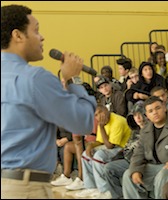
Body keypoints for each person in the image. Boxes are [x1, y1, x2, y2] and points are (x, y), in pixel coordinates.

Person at [1, 4, 96, 199]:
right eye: (36, 31)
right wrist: (73, 79)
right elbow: (83, 123)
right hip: (24, 189)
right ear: (18, 35)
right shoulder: (35, 78)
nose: (42, 37)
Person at [122, 96, 168, 199]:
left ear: (164, 108)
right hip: (154, 166)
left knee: (163, 175)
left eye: (158, 108)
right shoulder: (146, 129)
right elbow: (138, 153)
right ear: (147, 115)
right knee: (128, 175)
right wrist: (135, 170)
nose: (155, 112)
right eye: (151, 111)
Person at [75, 104, 131, 199]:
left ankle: (106, 191)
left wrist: (101, 127)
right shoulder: (102, 122)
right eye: (96, 115)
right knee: (85, 155)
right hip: (112, 147)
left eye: (101, 112)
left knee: (99, 156)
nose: (99, 116)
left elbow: (110, 146)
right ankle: (91, 187)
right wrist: (90, 146)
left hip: (123, 149)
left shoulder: (118, 121)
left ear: (106, 110)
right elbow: (99, 141)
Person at [101, 101, 148, 199]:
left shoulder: (152, 129)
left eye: (140, 114)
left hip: (142, 163)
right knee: (108, 168)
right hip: (129, 160)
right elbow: (127, 148)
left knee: (126, 173)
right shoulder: (135, 131)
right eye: (135, 115)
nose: (138, 118)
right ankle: (118, 196)